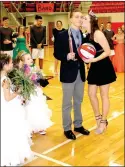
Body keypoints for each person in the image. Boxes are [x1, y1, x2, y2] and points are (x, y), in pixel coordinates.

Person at [54, 9, 90, 140]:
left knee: (79, 101)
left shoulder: (83, 34)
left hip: (80, 72)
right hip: (68, 73)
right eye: (77, 17)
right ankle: (67, 128)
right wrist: (66, 56)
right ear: (70, 19)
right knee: (67, 103)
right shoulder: (62, 35)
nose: (80, 19)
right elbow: (56, 54)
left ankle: (78, 125)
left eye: (81, 17)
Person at [82, 11, 117, 134]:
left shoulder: (98, 33)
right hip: (94, 66)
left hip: (103, 65)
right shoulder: (87, 35)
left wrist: (93, 60)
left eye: (84, 18)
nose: (82, 20)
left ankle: (103, 121)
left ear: (91, 21)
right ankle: (98, 118)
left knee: (103, 95)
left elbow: (108, 51)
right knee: (91, 94)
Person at [0, 54, 33, 166]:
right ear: (4, 65)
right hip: (8, 108)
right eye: (9, 63)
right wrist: (17, 92)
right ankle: (11, 157)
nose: (11, 64)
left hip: (3, 107)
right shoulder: (6, 80)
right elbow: (7, 98)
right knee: (11, 132)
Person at [14, 51, 53, 135]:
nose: (31, 59)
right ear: (23, 61)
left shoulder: (35, 68)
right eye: (28, 59)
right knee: (30, 109)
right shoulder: (22, 71)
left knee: (39, 108)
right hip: (29, 93)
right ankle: (30, 128)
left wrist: (41, 82)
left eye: (30, 57)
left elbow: (39, 78)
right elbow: (22, 83)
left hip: (37, 91)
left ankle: (40, 127)